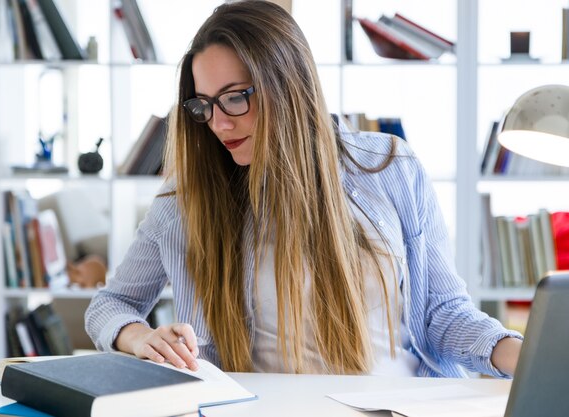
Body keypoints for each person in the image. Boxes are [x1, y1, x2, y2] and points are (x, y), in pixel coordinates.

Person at [85, 0, 522, 378]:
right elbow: (110, 304)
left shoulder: (391, 168)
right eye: (205, 105)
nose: (218, 123)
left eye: (236, 97)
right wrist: (140, 337)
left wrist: (520, 354)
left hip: (400, 403)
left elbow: (444, 313)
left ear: (289, 85)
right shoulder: (187, 201)